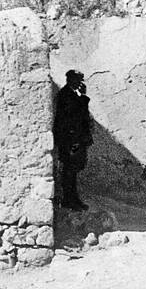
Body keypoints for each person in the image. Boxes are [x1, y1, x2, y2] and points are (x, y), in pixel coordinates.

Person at [53, 70, 93, 213]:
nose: (79, 83)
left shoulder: (72, 94)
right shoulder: (66, 95)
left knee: (73, 171)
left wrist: (82, 96)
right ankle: (69, 200)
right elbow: (71, 119)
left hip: (74, 139)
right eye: (77, 80)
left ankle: (73, 199)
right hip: (70, 140)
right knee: (69, 171)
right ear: (70, 80)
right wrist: (73, 141)